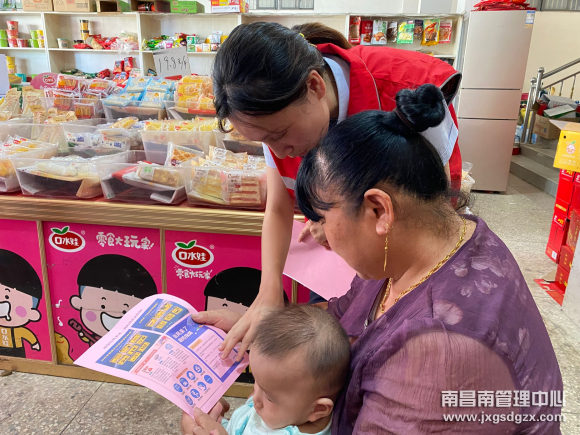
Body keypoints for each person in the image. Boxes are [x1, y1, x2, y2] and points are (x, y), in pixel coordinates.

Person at [183, 85, 562, 434]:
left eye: (323, 219)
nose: (320, 235)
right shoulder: (429, 244)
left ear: (379, 210)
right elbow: (344, 315)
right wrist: (262, 329)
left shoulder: (436, 354)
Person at [212, 21, 463, 357]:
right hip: (343, 259)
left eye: (278, 135)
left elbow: (435, 214)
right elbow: (278, 208)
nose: (280, 153)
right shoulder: (278, 119)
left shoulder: (408, 91)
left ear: (314, 86)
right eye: (264, 142)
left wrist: (334, 220)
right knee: (335, 345)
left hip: (411, 250)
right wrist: (268, 295)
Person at [219, 305, 349, 435]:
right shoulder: (286, 413)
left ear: (317, 409)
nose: (255, 400)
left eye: (269, 398)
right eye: (256, 383)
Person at [0, 249, 43, 358]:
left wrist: (34, 343)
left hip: (17, 350)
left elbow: (27, 334)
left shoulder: (19, 330)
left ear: (32, 313)